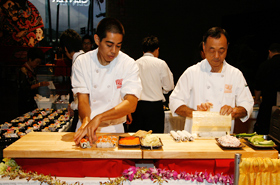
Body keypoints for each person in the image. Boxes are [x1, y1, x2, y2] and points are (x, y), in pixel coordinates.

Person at [169, 27, 254, 134]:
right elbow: (174, 101)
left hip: (224, 139)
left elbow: (247, 103)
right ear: (204, 47)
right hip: (195, 138)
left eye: (221, 50)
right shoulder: (192, 72)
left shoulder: (235, 74)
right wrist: (196, 113)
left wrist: (234, 111)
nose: (217, 56)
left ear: (227, 47)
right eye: (212, 50)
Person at [72, 17, 142, 145]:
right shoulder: (82, 62)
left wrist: (99, 117)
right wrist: (87, 121)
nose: (114, 51)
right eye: (109, 45)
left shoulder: (128, 64)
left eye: (118, 46)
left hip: (115, 130)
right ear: (97, 39)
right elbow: (83, 100)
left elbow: (131, 104)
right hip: (86, 128)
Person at [128, 35, 174, 133]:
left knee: (137, 138)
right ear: (157, 49)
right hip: (155, 108)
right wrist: (161, 90)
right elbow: (169, 86)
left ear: (143, 50)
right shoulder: (161, 63)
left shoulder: (135, 63)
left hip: (138, 107)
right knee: (156, 138)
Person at [59, 29, 84, 132]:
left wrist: (73, 105)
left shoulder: (78, 62)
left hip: (83, 110)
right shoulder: (84, 57)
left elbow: (79, 91)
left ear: (66, 49)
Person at [254, 43, 280, 134]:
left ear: (269, 52)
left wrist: (257, 99)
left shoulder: (265, 65)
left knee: (263, 129)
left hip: (268, 103)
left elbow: (258, 85)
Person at [17, 47, 49, 115]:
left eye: (39, 62)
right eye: (36, 62)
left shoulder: (32, 69)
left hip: (32, 100)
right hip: (25, 101)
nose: (37, 64)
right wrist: (40, 84)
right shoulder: (23, 70)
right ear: (30, 59)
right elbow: (24, 88)